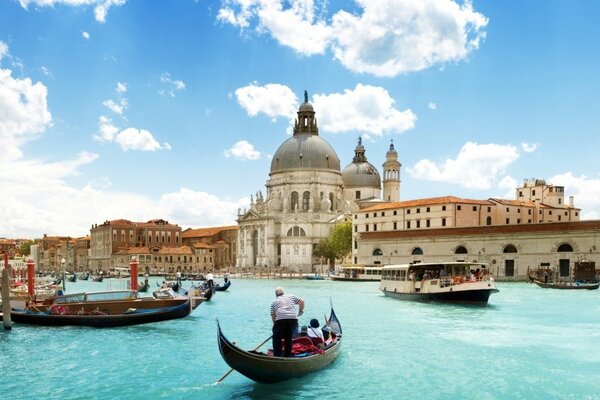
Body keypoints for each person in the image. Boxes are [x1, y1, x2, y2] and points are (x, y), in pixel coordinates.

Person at [270, 287, 304, 357]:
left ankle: (277, 355)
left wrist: (276, 327)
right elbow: (302, 302)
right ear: (283, 292)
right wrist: (300, 311)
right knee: (288, 337)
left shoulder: (274, 302)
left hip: (281, 320)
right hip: (293, 320)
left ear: (276, 294)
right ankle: (287, 355)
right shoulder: (291, 296)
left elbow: (273, 316)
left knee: (276, 338)